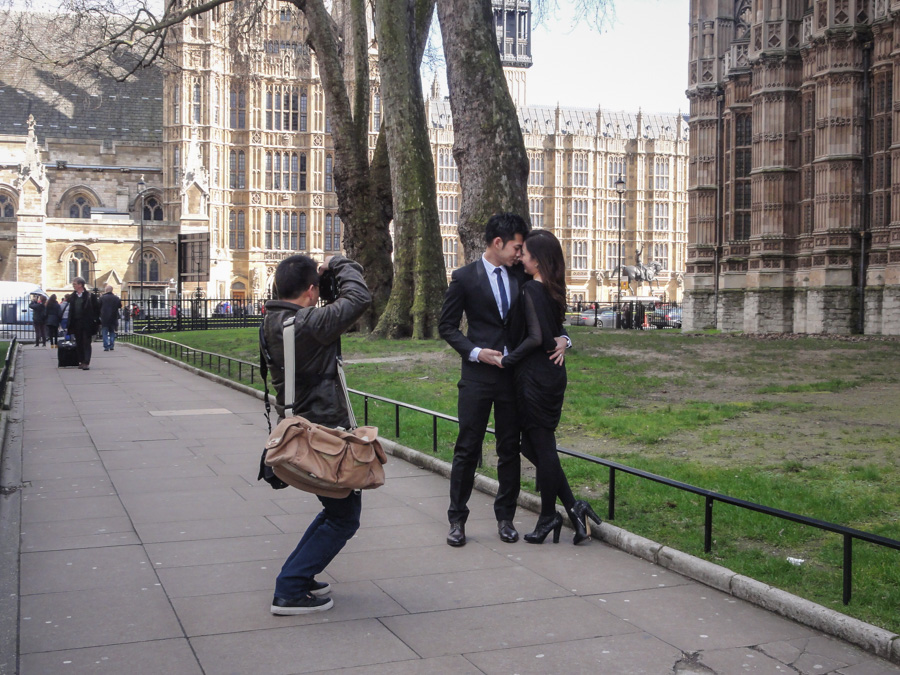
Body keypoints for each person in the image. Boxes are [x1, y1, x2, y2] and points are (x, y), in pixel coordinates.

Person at [438, 213, 568, 547]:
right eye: (516, 246)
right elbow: (447, 326)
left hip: (514, 378)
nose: (519, 253)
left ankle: (505, 518)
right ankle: (457, 520)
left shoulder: (521, 276)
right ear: (498, 243)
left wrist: (565, 339)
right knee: (467, 449)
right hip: (478, 377)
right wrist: (476, 352)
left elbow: (546, 314)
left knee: (509, 449)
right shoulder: (464, 278)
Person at [260, 253, 371, 615]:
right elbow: (359, 299)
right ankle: (290, 587)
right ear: (311, 291)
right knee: (344, 516)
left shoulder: (274, 320)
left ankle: (299, 578)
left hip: (299, 429)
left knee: (334, 509)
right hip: (321, 436)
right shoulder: (308, 324)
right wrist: (339, 264)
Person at [492, 230, 601, 545]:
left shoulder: (530, 289)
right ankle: (573, 506)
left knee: (542, 446)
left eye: (525, 253)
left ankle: (548, 516)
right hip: (551, 375)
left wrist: (508, 361)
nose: (521, 257)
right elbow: (554, 332)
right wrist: (565, 339)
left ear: (537, 260)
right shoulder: (553, 290)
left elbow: (538, 337)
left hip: (536, 377)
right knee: (536, 446)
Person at [67, 277, 101, 370]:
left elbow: (97, 309)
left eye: (74, 284)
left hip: (87, 324)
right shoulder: (73, 296)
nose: (73, 286)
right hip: (76, 323)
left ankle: (86, 362)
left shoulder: (90, 296)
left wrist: (94, 320)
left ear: (80, 285)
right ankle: (81, 361)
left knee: (86, 342)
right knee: (79, 343)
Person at [99, 285, 122, 351]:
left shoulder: (102, 298)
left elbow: (98, 306)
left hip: (104, 318)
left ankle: (106, 346)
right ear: (112, 290)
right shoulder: (116, 298)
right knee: (112, 332)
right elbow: (120, 306)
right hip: (113, 317)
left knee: (104, 332)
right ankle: (111, 345)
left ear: (106, 290)